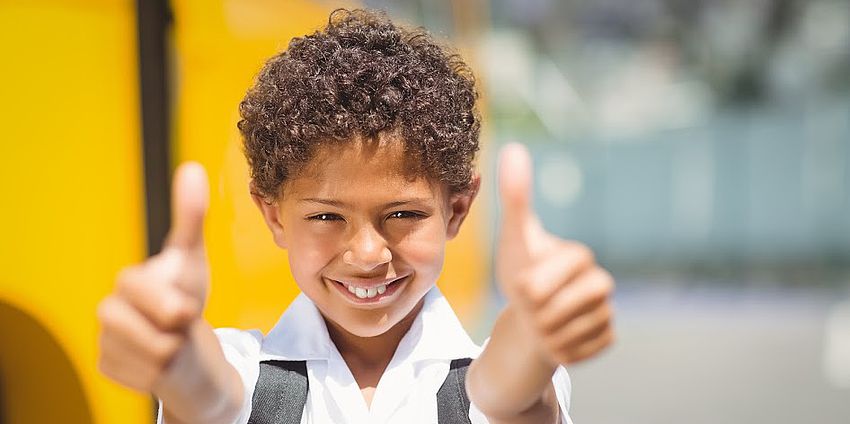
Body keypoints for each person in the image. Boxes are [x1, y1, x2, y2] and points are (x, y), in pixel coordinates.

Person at [97, 9, 615, 424]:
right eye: (326, 218)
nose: (368, 254)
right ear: (273, 215)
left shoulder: (482, 378)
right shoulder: (245, 372)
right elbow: (207, 400)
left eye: (403, 214)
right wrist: (176, 349)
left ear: (457, 209)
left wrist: (534, 326)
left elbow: (511, 397)